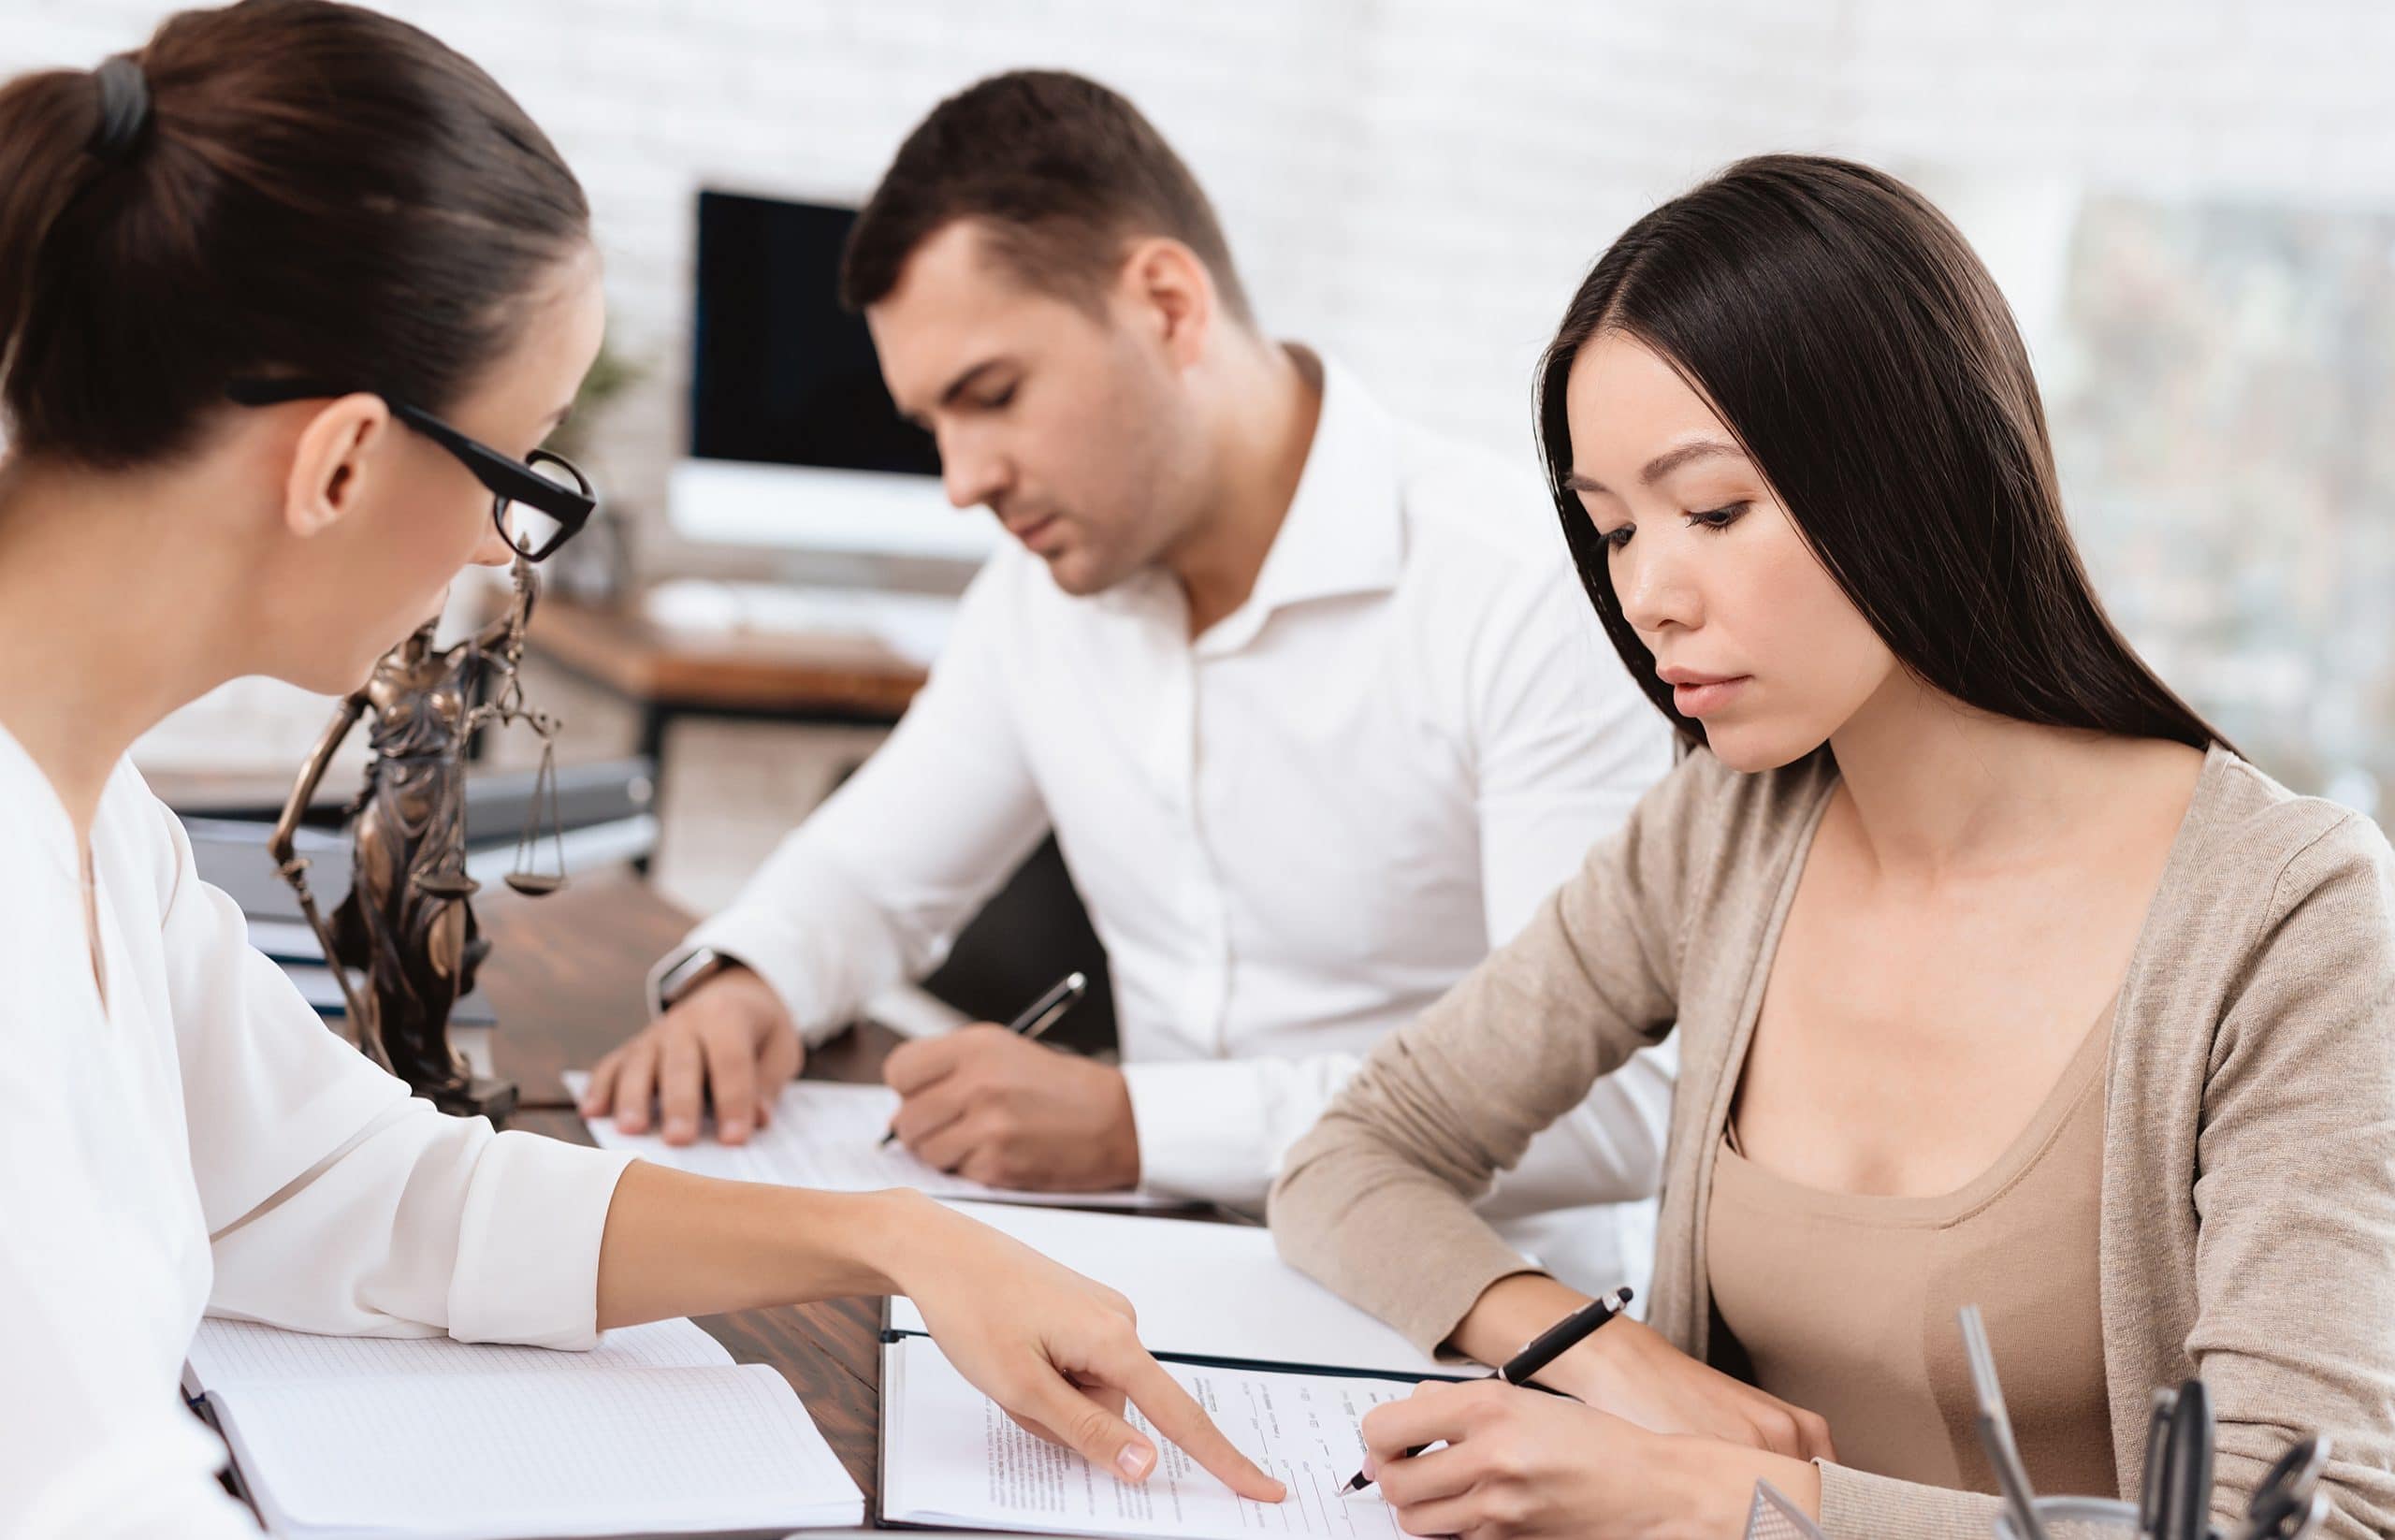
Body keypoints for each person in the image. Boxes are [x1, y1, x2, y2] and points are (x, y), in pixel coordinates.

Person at [0, 7, 1283, 1534]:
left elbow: (369, 1192)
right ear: (340, 462)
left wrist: (897, 1238)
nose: (503, 546)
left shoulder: (103, 828)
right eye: (520, 468)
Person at [1269, 154, 2395, 1539]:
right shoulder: (1725, 830)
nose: (1647, 597)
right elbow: (1352, 1156)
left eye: (1715, 511)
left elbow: (2310, 1521)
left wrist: (1719, 1497)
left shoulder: (2289, 914)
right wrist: (1593, 1352)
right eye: (1613, 530)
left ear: (1913, 470)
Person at [578, 70, 1676, 1294]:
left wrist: (1137, 1125)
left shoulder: (1527, 594)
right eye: (931, 422)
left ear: (1166, 303)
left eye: (991, 396)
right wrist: (750, 979)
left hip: (1481, 1322)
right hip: (1157, 1272)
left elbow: (1620, 1098)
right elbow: (869, 875)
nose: (961, 479)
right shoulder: (1043, 597)